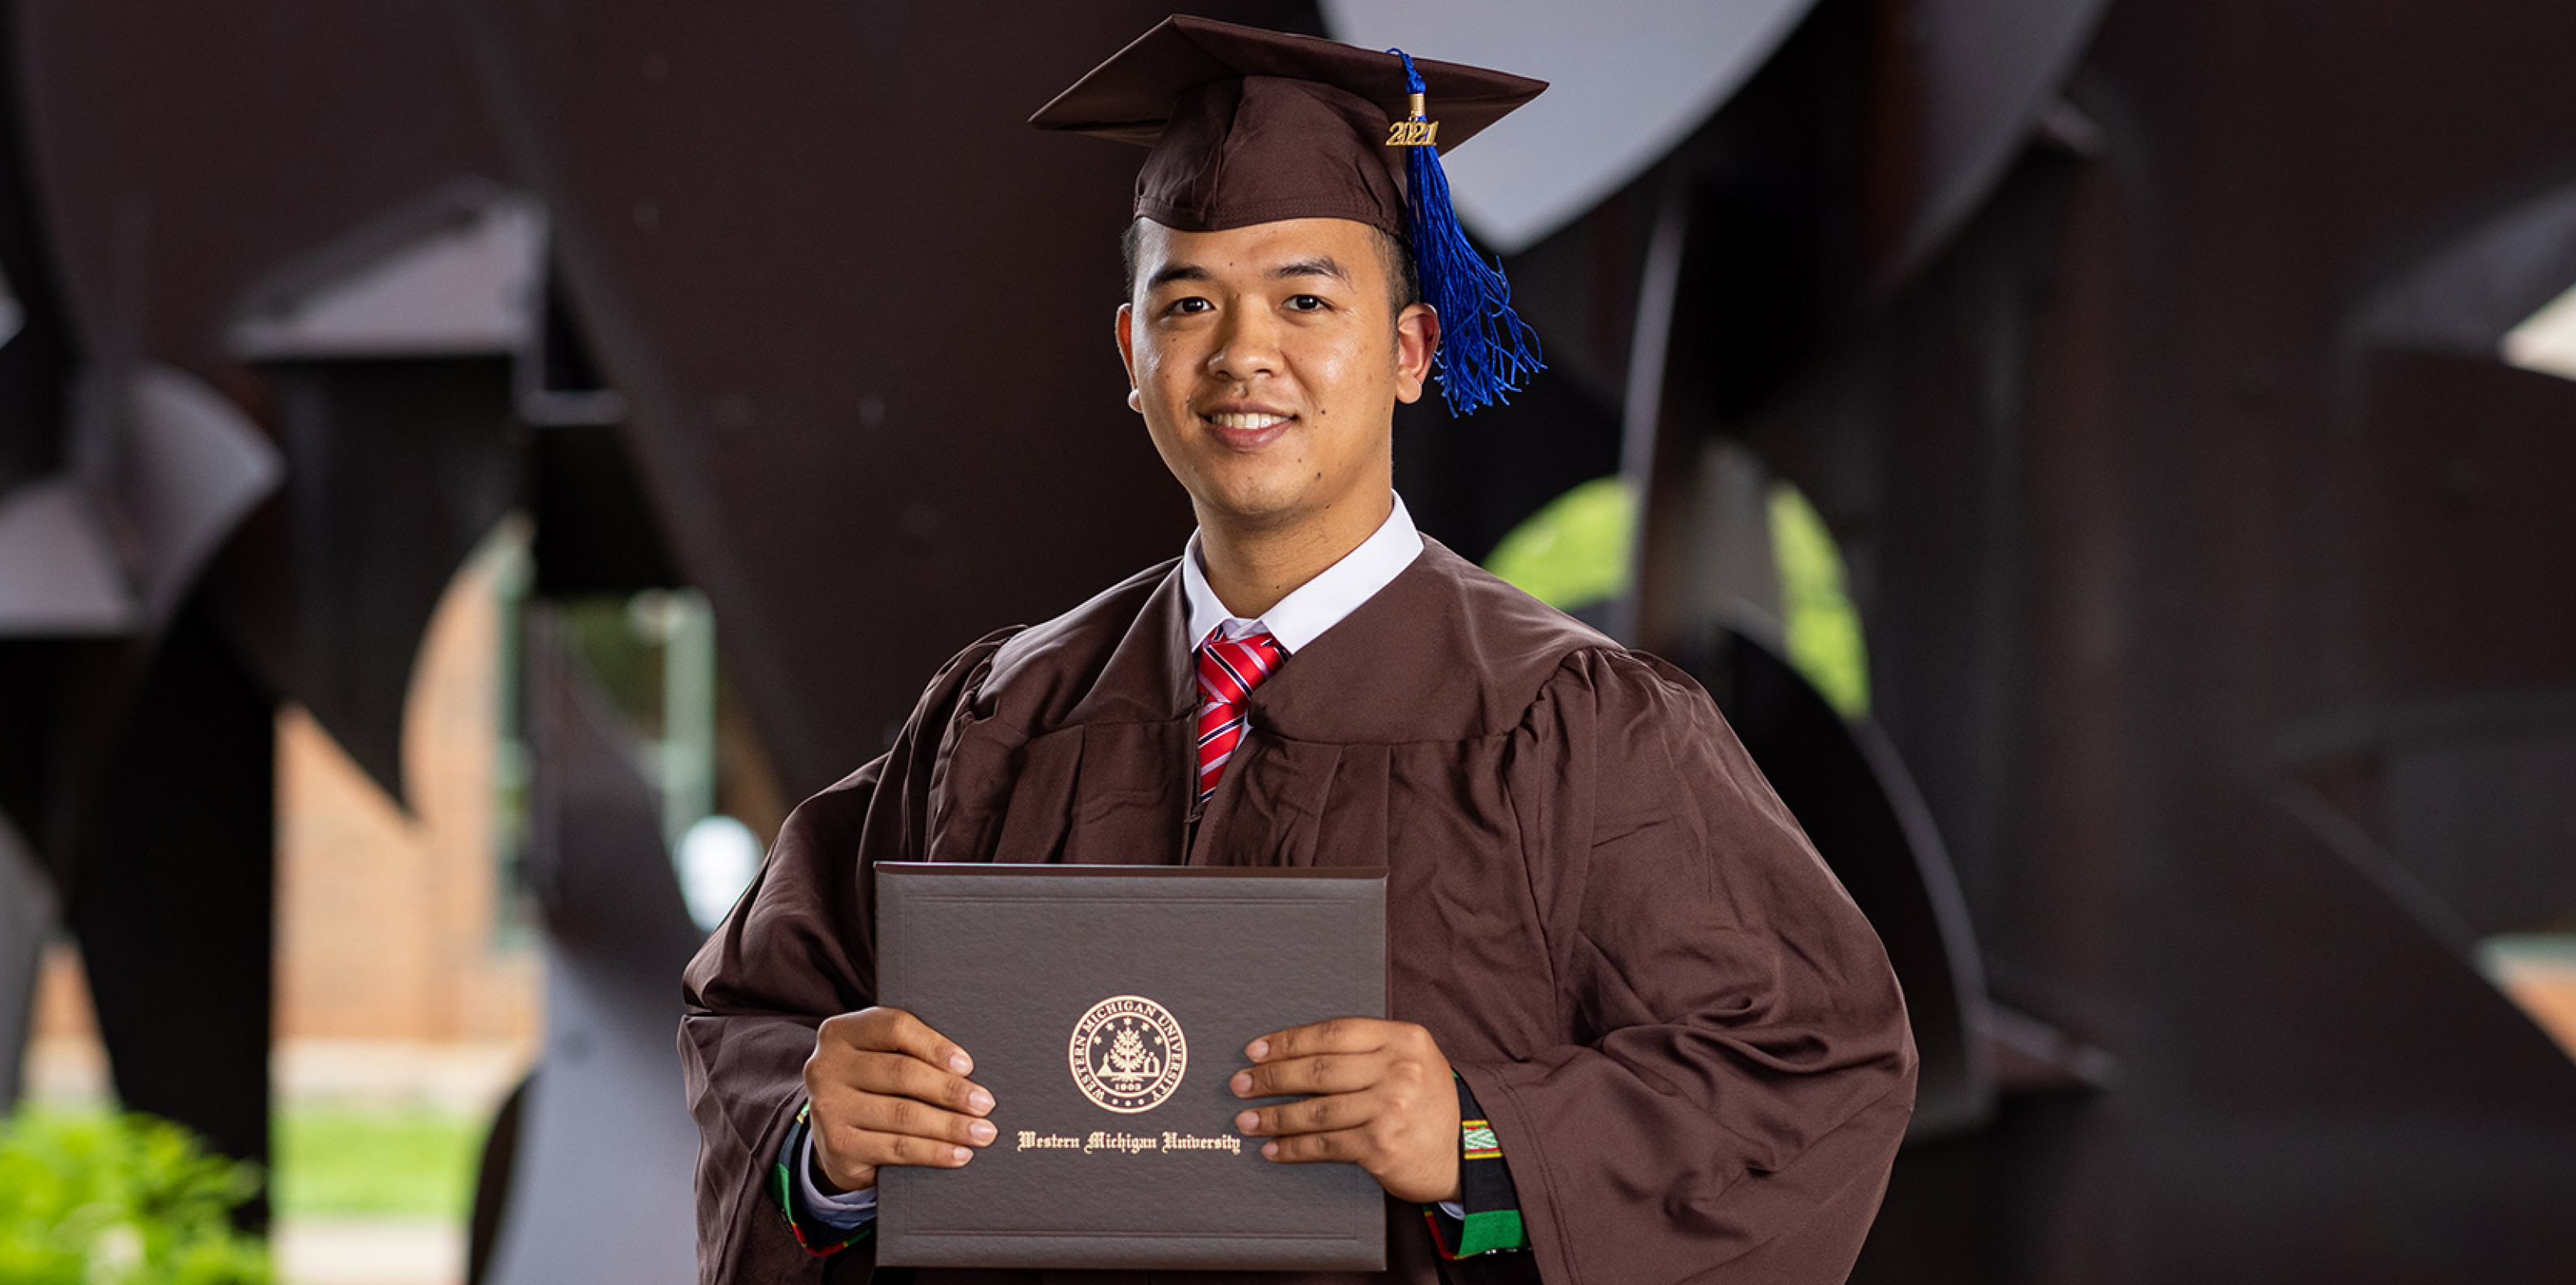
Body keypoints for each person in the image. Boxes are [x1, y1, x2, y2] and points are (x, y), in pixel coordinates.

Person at [680, 16, 1915, 1284]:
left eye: (1306, 299)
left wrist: (1486, 1142)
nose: (1242, 353)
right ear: (1132, 355)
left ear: (1409, 350)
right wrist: (820, 1156)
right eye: (1191, 302)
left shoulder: (1576, 724)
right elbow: (760, 1014)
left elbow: (1815, 1068)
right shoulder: (1003, 713)